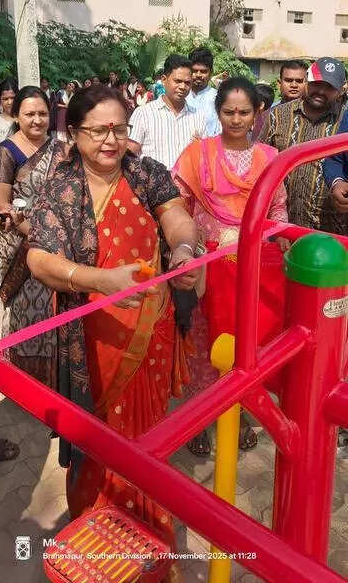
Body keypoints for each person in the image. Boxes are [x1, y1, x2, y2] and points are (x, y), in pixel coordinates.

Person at [26, 85, 199, 543]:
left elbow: (177, 216)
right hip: (92, 340)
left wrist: (183, 251)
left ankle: (147, 524)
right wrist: (98, 280)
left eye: (119, 129)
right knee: (99, 435)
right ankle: (95, 524)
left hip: (150, 329)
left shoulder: (146, 173)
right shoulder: (60, 190)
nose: (110, 140)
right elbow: (40, 259)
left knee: (147, 436)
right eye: (98, 131)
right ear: (75, 134)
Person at [172, 77, 288, 454]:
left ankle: (240, 414)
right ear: (217, 112)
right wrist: (187, 247)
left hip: (252, 269)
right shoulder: (197, 154)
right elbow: (177, 203)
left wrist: (278, 237)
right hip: (207, 268)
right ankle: (200, 420)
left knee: (246, 341)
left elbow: (278, 208)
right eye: (228, 112)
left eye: (244, 112)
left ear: (257, 113)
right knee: (205, 343)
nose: (236, 119)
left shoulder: (270, 158)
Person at [0, 85, 66, 383]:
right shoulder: (5, 152)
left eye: (42, 113)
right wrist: (39, 235)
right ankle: (22, 377)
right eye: (29, 114)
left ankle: (57, 377)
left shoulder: (60, 148)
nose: (37, 120)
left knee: (56, 306)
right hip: (21, 239)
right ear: (17, 115)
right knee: (25, 307)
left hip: (58, 239)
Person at [258, 57, 347, 232]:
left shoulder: (345, 121)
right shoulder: (276, 116)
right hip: (280, 229)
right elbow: (258, 163)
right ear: (306, 81)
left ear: (340, 91)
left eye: (329, 87)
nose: (321, 91)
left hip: (330, 234)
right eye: (316, 84)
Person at [128, 54, 206, 170]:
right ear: (164, 80)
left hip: (187, 186)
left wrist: (200, 147)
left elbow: (204, 158)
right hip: (152, 186)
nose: (182, 87)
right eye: (178, 81)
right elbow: (130, 155)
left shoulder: (198, 117)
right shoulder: (143, 113)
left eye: (187, 83)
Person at [186, 48, 221, 137]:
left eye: (203, 71)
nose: (198, 75)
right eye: (194, 71)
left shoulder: (218, 98)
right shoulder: (181, 96)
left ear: (211, 73)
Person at [0, 77, 18, 157]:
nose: (9, 102)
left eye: (13, 98)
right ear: (0, 100)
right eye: (5, 99)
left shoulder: (24, 119)